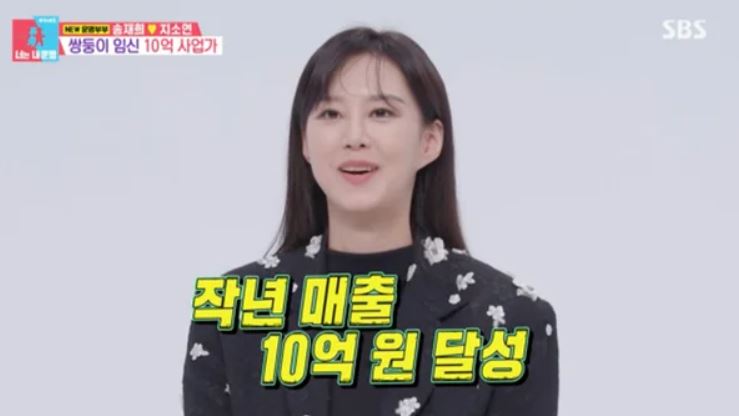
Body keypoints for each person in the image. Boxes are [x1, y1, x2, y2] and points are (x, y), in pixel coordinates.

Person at [182, 26, 559, 416]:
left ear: (429, 141)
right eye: (331, 113)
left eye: (381, 113)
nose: (355, 137)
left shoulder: (512, 320)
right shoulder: (232, 313)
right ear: (305, 142)